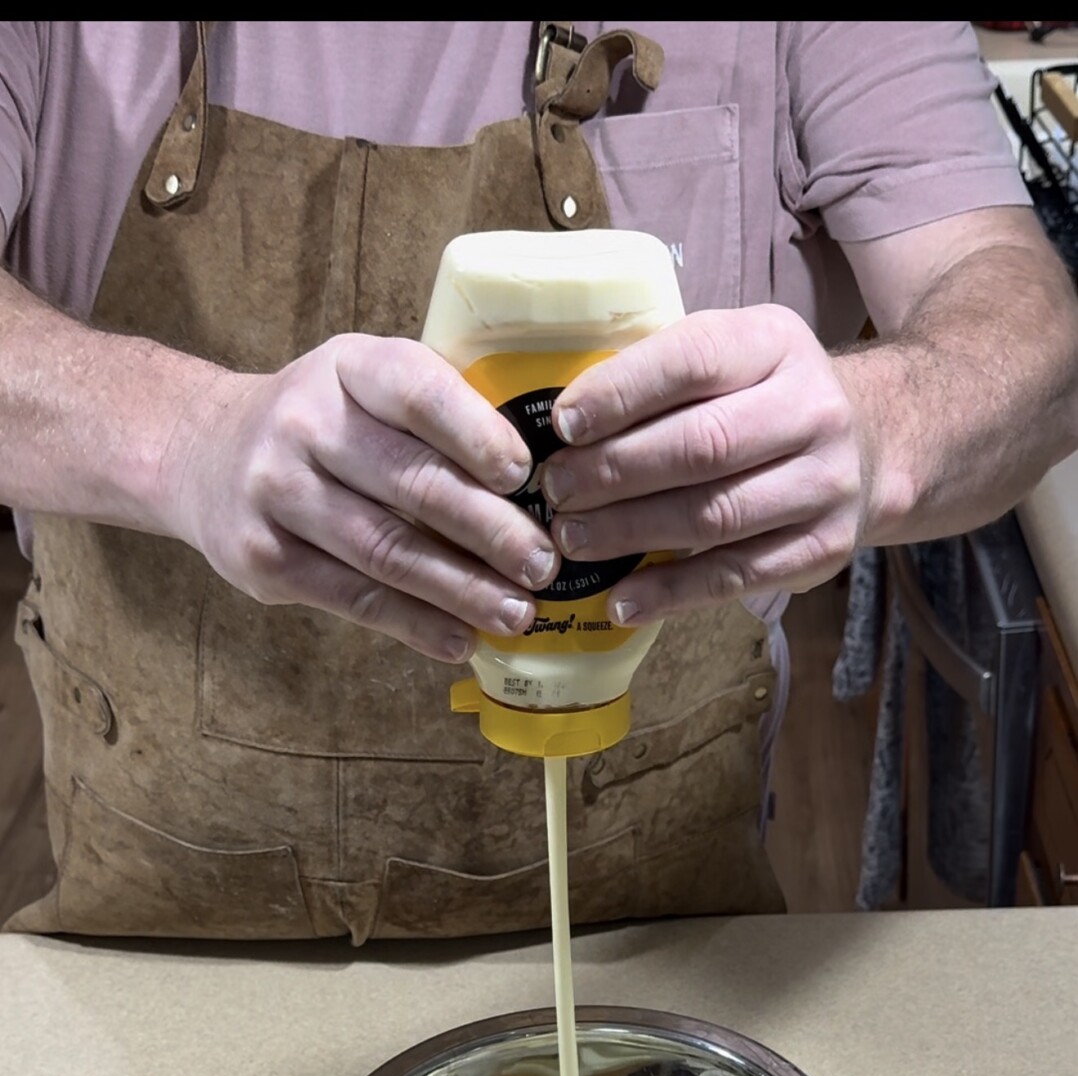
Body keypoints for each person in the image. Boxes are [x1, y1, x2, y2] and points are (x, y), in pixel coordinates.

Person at [1, 20, 1076, 942]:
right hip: (160, 955)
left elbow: (1029, 346)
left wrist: (878, 426)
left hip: (654, 955)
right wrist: (184, 439)